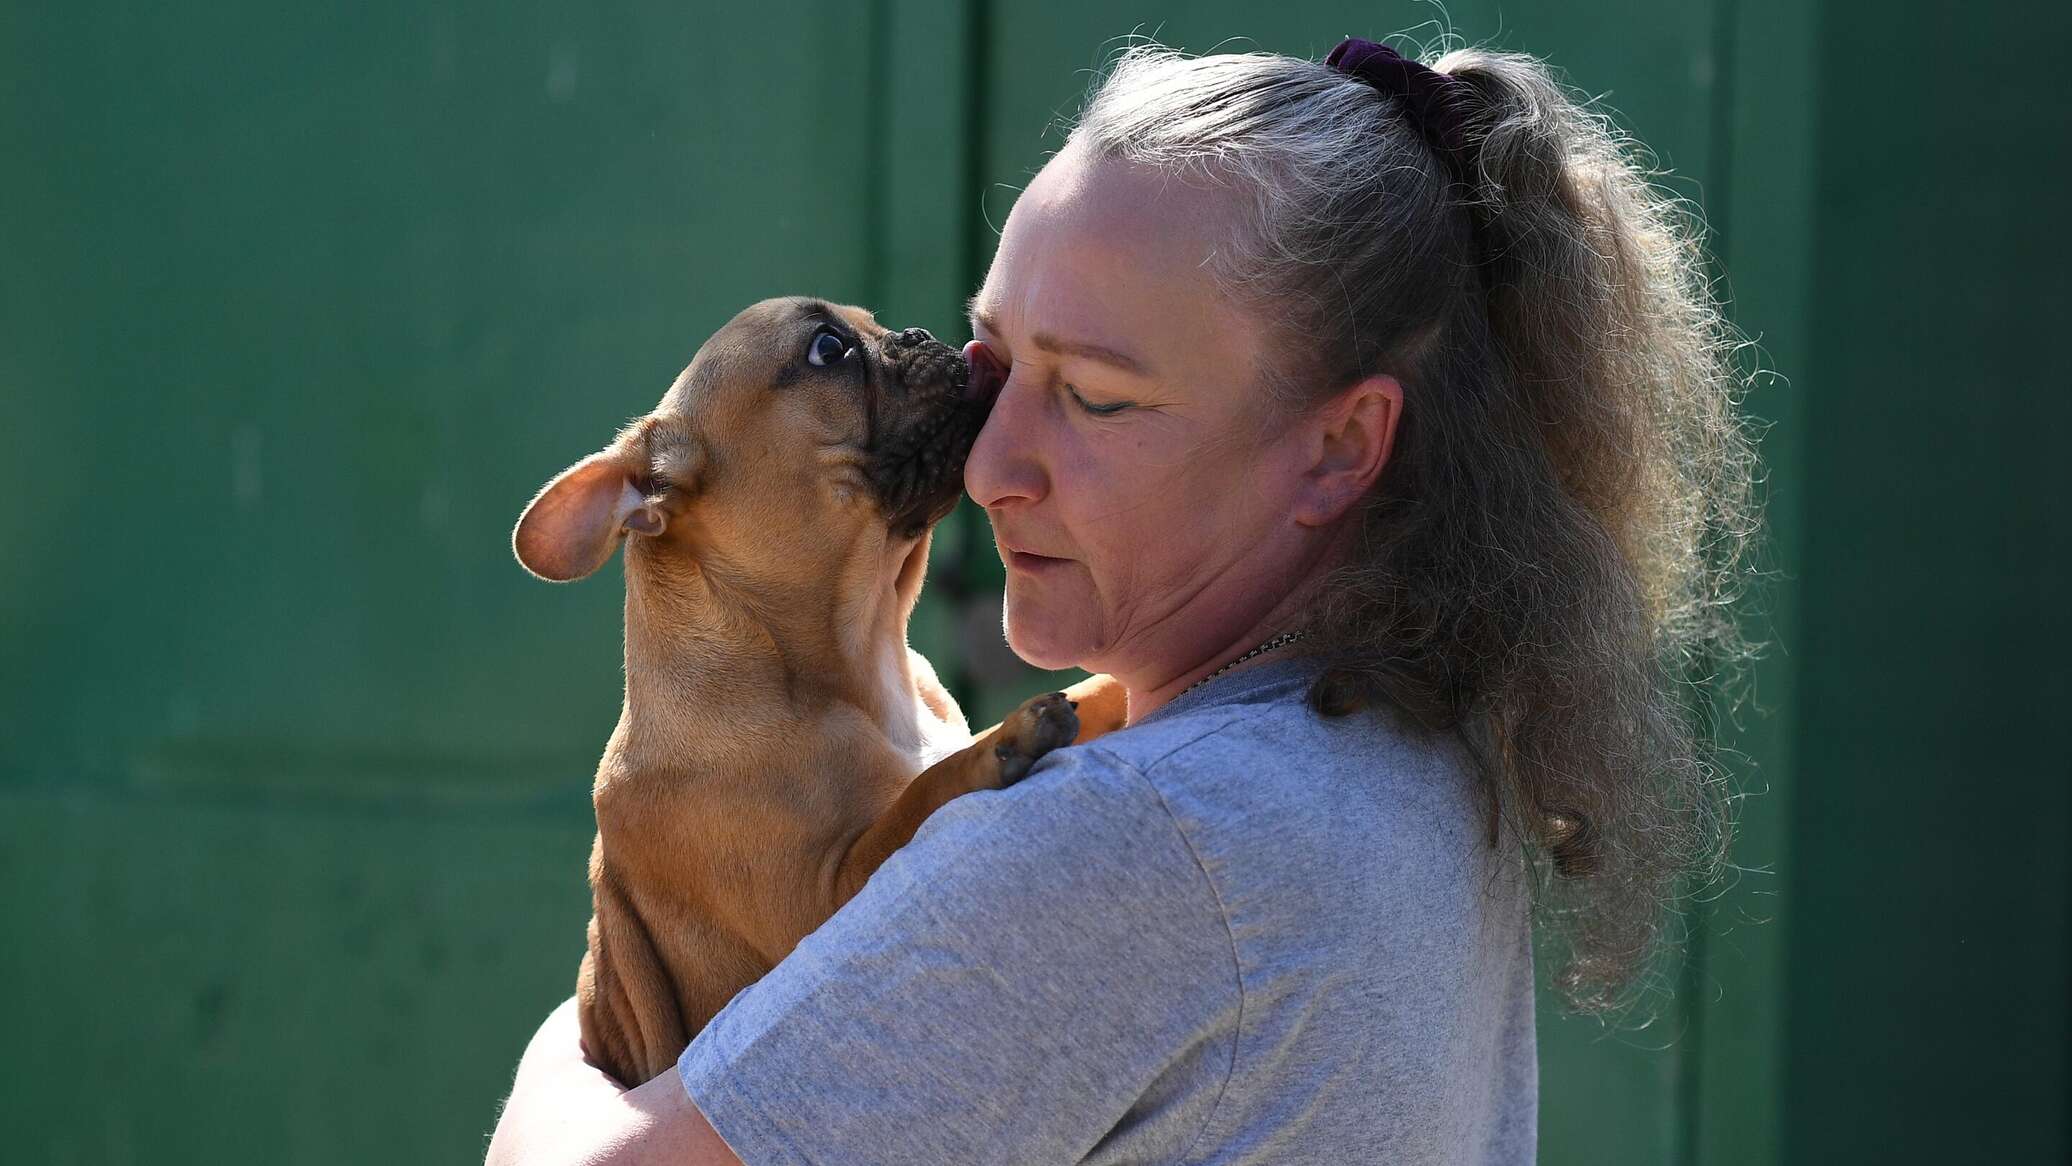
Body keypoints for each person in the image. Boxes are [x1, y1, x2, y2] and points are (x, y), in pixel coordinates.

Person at [485, 35, 1759, 1166]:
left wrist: (576, 1049)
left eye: (1095, 398)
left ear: (1336, 447)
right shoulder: (1408, 743)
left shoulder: (1136, 842)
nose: (987, 465)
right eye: (991, 363)